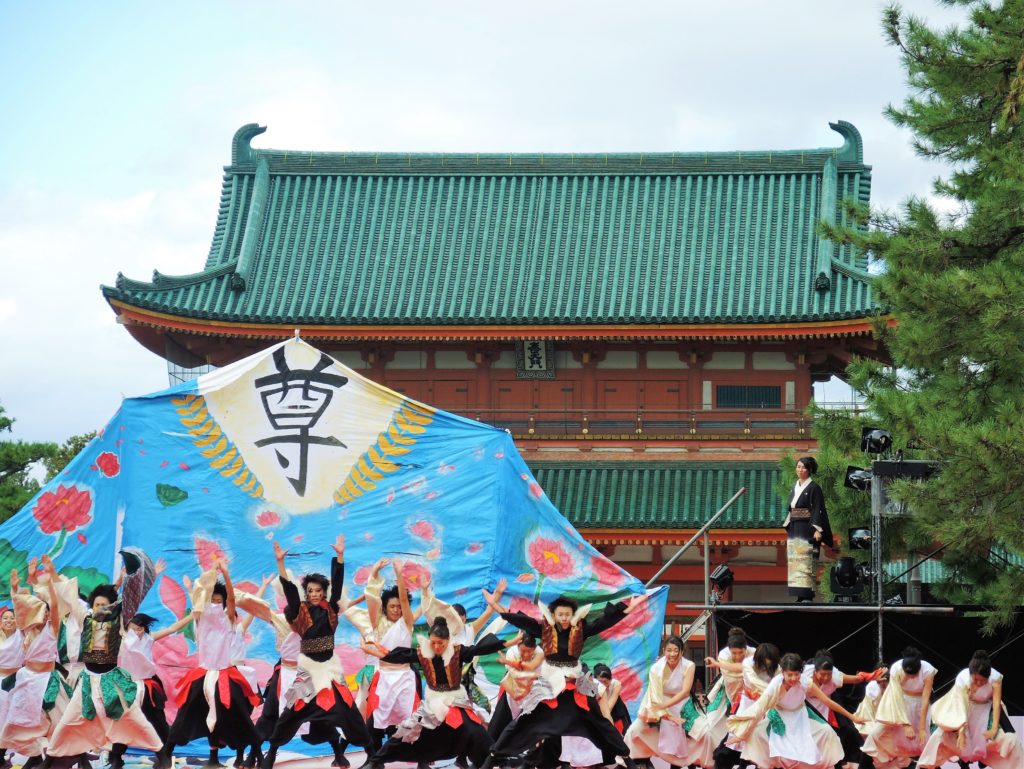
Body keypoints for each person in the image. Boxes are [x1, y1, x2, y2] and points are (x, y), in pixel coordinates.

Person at [481, 592, 644, 769]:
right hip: (550, 685)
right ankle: (492, 756)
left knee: (599, 721)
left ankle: (626, 758)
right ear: (553, 615)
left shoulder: (580, 630)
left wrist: (630, 608)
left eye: (568, 614)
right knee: (524, 721)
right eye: (561, 614)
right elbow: (518, 619)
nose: (564, 618)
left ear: (573, 615)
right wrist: (496, 605)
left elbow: (604, 622)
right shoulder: (544, 630)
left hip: (573, 684)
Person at [46, 549, 164, 769]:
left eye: (104, 604)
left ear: (110, 605)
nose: (100, 607)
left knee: (133, 717)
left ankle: (161, 752)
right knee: (67, 721)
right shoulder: (85, 618)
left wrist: (129, 575)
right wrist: (52, 573)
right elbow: (70, 597)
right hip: (87, 682)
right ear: (91, 605)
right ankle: (50, 759)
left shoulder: (118, 620)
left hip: (111, 679)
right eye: (96, 604)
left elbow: (130, 600)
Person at [261, 535, 371, 769]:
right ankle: (270, 754)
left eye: (318, 591)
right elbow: (290, 590)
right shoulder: (299, 613)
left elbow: (338, 584)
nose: (313, 594)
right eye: (310, 590)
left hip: (330, 670)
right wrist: (280, 563)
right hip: (308, 671)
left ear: (323, 593)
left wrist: (340, 556)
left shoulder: (330, 610)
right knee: (290, 712)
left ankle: (371, 755)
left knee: (348, 711)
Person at [362, 616, 506, 769]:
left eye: (441, 643)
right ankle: (375, 760)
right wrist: (375, 652)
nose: (436, 646)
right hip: (434, 703)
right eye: (433, 642)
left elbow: (479, 649)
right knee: (408, 731)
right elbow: (398, 655)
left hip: (455, 702)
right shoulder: (424, 654)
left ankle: (491, 761)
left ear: (448, 640)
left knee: (475, 731)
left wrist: (508, 643)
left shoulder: (457, 651)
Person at [166, 562, 262, 769]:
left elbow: (231, 598)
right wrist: (194, 587)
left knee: (238, 714)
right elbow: (198, 599)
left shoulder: (229, 620)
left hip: (227, 674)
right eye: (213, 600)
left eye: (220, 601)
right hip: (203, 674)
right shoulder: (199, 616)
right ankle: (169, 751)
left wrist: (226, 575)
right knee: (187, 713)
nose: (216, 604)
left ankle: (254, 750)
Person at [728, 653, 863, 769]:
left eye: (796, 674)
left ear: (801, 672)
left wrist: (852, 717)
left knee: (827, 733)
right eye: (789, 675)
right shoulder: (776, 684)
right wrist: (742, 734)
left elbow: (828, 702)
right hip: (779, 715)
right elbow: (760, 707)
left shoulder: (805, 682)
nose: (793, 678)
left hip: (801, 716)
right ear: (783, 672)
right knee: (756, 735)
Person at [343, 557, 418, 756]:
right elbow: (372, 597)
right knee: (373, 718)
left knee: (405, 719)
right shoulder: (377, 623)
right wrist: (374, 573)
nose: (396, 610)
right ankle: (373, 757)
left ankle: (413, 756)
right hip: (380, 676)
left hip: (404, 678)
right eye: (392, 607)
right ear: (385, 608)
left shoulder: (406, 622)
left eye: (399, 607)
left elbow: (404, 599)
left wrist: (400, 577)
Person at [0, 565, 66, 769]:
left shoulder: (51, 629)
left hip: (44, 680)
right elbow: (18, 608)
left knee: (45, 722)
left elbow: (55, 607)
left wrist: (50, 587)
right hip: (25, 678)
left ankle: (44, 757)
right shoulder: (26, 630)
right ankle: (31, 755)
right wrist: (15, 588)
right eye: (41, 611)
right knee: (15, 722)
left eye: (46, 612)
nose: (44, 615)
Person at [113, 611, 193, 769]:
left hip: (149, 686)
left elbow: (172, 629)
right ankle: (116, 757)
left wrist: (191, 616)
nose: (138, 631)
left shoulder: (149, 639)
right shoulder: (122, 640)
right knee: (125, 722)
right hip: (129, 687)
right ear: (127, 627)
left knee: (158, 723)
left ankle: (163, 756)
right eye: (134, 628)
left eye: (141, 628)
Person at [918, 650, 1022, 769]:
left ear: (988, 676)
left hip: (986, 711)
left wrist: (993, 729)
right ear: (970, 673)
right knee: (939, 736)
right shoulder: (963, 677)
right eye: (975, 680)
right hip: (963, 710)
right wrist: (961, 730)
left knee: (1009, 740)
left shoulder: (995, 678)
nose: (978, 683)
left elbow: (996, 704)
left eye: (982, 681)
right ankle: (926, 765)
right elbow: (960, 705)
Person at [626, 635, 699, 769]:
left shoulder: (689, 665)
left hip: (681, 703)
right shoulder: (656, 668)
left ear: (682, 652)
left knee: (701, 734)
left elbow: (685, 691)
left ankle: (691, 763)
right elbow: (655, 694)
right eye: (669, 650)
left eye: (675, 650)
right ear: (664, 650)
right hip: (658, 703)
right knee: (634, 730)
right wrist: (666, 714)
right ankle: (636, 760)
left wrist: (667, 707)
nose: (672, 654)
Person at [709, 642, 780, 769]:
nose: (766, 668)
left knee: (762, 746)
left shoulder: (778, 669)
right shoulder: (748, 664)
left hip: (766, 709)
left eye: (769, 665)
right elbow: (754, 683)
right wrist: (771, 691)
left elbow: (779, 686)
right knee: (731, 746)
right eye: (764, 665)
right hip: (747, 707)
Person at [862, 647, 935, 769]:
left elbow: (925, 699)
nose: (911, 677)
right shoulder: (896, 668)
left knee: (923, 742)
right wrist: (905, 723)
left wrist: (922, 727)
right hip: (898, 704)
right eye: (908, 673)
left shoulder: (928, 669)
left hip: (919, 705)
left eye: (914, 674)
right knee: (876, 734)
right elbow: (896, 697)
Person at [783, 456, 833, 602]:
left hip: (807, 527)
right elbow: (791, 508)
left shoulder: (814, 488)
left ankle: (808, 595)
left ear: (810, 470)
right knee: (796, 560)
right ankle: (799, 595)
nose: (800, 469)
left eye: (803, 467)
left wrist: (818, 529)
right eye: (798, 466)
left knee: (807, 559)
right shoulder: (795, 486)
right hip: (795, 526)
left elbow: (818, 509)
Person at [0, 602, 25, 769]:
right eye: (5, 618)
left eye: (12, 618)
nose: (8, 621)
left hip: (15, 681)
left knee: (9, 719)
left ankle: (3, 754)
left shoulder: (21, 635)